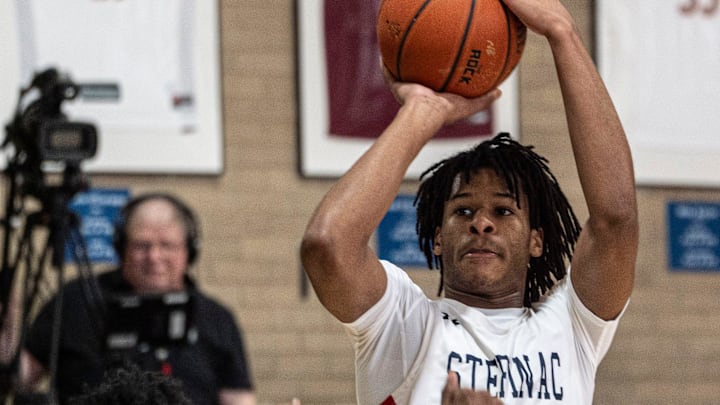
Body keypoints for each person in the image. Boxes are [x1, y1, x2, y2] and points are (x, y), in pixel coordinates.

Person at [300, 0, 638, 404]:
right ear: (438, 238)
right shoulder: (402, 325)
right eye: (463, 211)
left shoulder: (572, 327)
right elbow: (327, 246)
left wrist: (563, 33)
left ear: (536, 240)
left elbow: (616, 220)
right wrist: (423, 112)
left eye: (503, 210)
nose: (481, 223)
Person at [19, 192, 256, 405]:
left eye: (167, 245)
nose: (154, 256)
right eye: (142, 245)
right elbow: (20, 377)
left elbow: (240, 398)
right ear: (121, 248)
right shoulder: (76, 301)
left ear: (189, 251)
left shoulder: (216, 318)